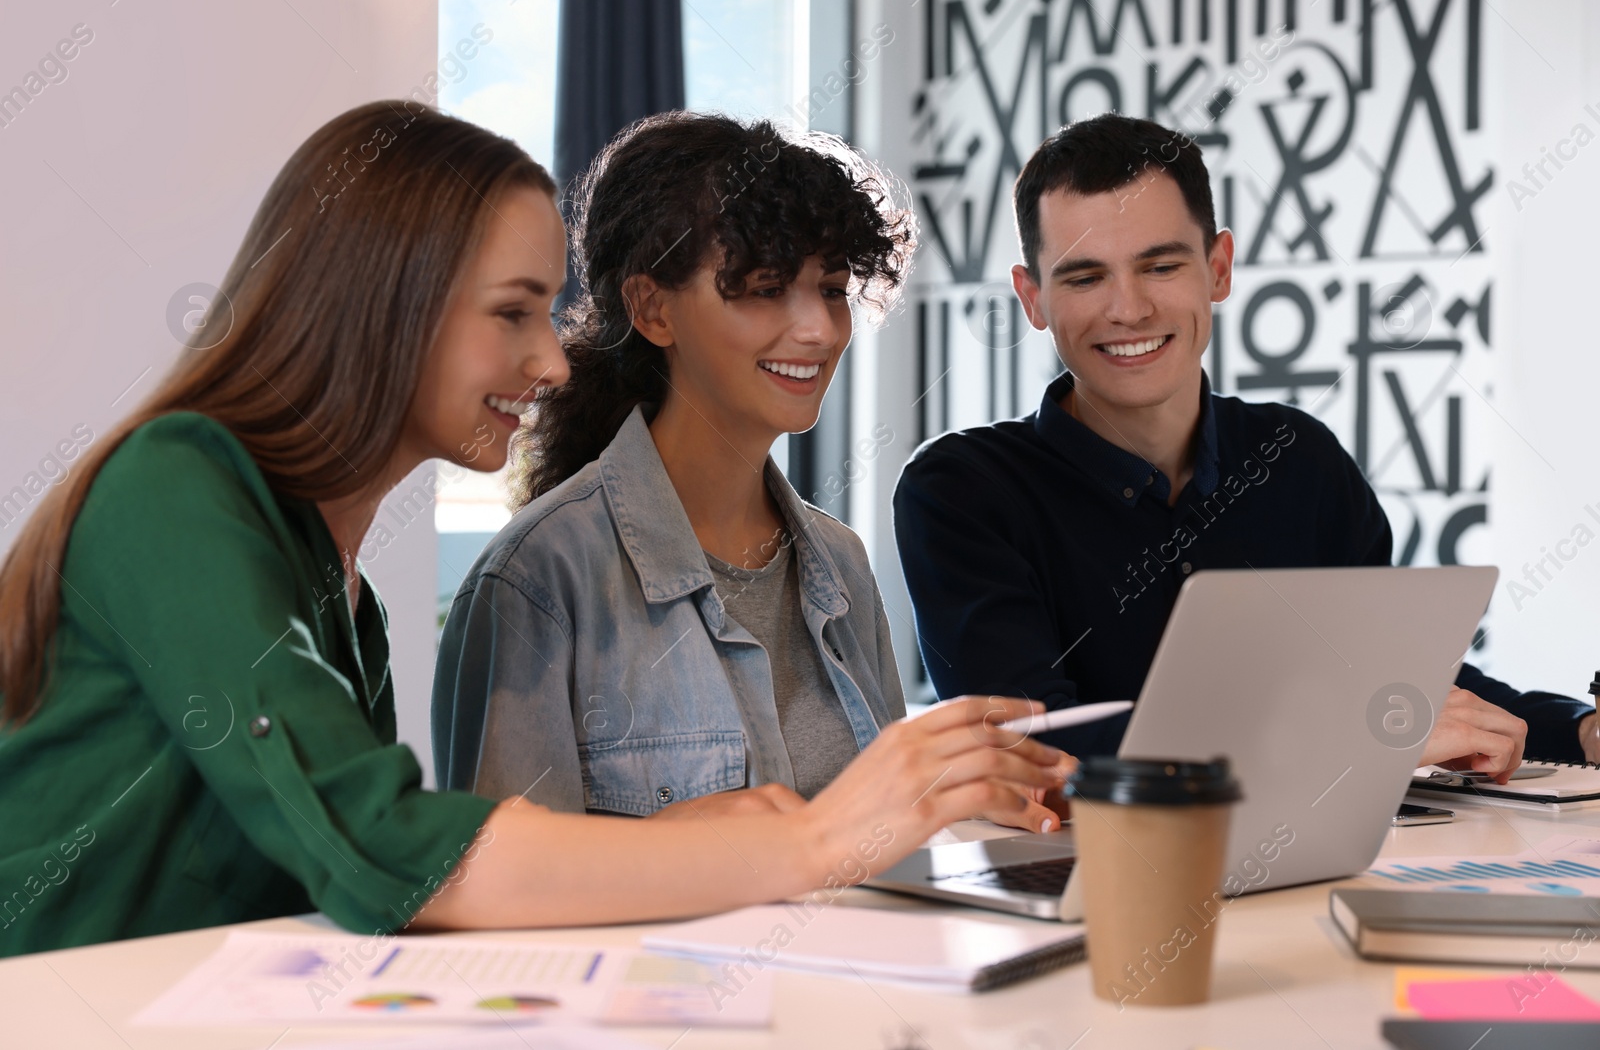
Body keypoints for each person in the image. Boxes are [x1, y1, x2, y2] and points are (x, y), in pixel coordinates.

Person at [0, 101, 1070, 958]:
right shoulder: (172, 488)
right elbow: (382, 849)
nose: (556, 361)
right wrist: (818, 839)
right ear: (386, 303)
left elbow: (357, 891)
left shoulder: (344, 602)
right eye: (512, 313)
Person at [893, 112, 1598, 776]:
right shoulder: (963, 491)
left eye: (1161, 266)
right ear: (1033, 298)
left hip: (1325, 870)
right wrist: (1348, 733)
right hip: (1092, 885)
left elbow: (1408, 683)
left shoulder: (1299, 459)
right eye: (1084, 276)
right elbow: (1034, 744)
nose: (1128, 308)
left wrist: (1579, 731)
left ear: (1220, 268)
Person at [432, 112, 1066, 835]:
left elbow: (887, 856)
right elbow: (507, 900)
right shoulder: (537, 583)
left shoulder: (842, 564)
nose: (819, 330)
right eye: (766, 288)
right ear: (651, 308)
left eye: (830, 289)